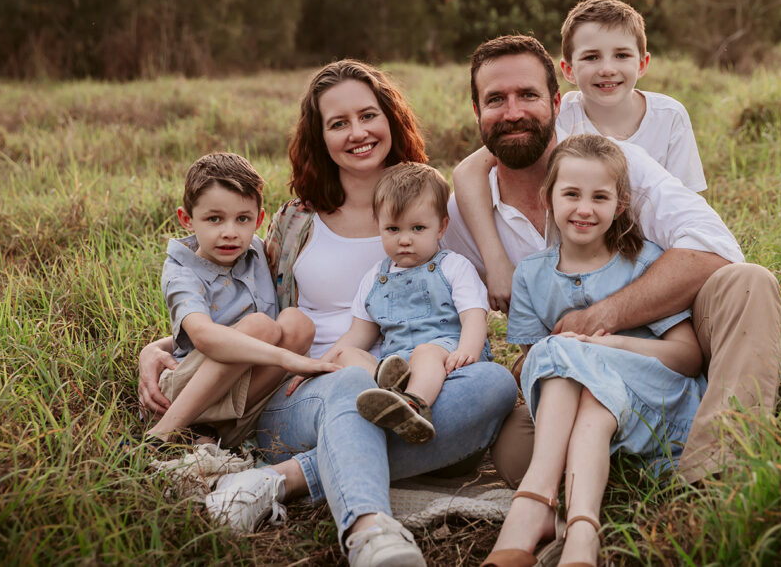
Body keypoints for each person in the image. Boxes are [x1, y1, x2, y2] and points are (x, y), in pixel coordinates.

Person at [137, 61, 518, 567]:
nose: (357, 132)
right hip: (305, 391)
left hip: (418, 387)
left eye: (368, 115)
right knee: (349, 384)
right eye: (338, 123)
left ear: (391, 118)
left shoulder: (433, 205)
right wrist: (157, 348)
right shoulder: (297, 221)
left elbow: (473, 299)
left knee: (495, 384)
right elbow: (252, 313)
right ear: (320, 137)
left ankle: (281, 480)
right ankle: (370, 531)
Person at [441, 35, 781, 491]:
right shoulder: (464, 211)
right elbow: (439, 302)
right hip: (575, 383)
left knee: (747, 283)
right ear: (476, 111)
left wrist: (603, 317)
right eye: (495, 100)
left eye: (528, 95)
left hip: (658, 352)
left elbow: (714, 246)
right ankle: (618, 466)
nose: (513, 112)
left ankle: (716, 472)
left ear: (557, 102)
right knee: (514, 457)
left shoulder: (614, 165)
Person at [483, 134, 706, 567]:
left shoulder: (644, 264)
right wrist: (572, 355)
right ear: (548, 197)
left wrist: (604, 342)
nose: (584, 209)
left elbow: (687, 357)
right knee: (574, 377)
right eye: (571, 194)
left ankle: (533, 505)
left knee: (564, 351)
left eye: (599, 197)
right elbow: (531, 364)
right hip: (592, 411)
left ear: (620, 205)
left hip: (654, 402)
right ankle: (582, 533)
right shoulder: (531, 274)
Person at [452, 0, 706, 313]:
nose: (607, 69)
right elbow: (471, 169)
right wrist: (496, 261)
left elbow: (687, 205)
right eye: (592, 57)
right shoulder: (566, 115)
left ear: (642, 62)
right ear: (569, 70)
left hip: (653, 260)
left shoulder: (667, 117)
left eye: (621, 55)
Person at [147, 152, 334, 446]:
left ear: (259, 219)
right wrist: (286, 358)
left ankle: (216, 435)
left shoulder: (258, 251)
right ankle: (164, 432)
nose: (230, 233)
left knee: (298, 323)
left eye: (242, 219)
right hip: (186, 391)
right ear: (187, 219)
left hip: (244, 399)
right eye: (214, 219)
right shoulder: (181, 272)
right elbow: (204, 336)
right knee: (262, 326)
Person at [306, 161, 491, 445]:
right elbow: (358, 335)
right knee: (347, 356)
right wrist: (320, 364)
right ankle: (389, 393)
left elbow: (474, 315)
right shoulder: (374, 278)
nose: (404, 240)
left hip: (446, 352)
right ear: (378, 225)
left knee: (426, 352)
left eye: (418, 228)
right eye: (393, 229)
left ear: (441, 227)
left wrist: (468, 350)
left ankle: (413, 407)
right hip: (395, 365)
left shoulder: (453, 266)